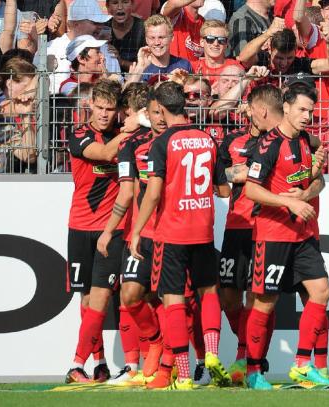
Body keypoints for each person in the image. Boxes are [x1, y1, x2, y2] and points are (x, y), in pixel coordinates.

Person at [130, 80, 231, 390]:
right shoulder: (207, 139)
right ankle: (212, 354)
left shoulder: (161, 143)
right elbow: (222, 188)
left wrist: (136, 231)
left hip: (171, 232)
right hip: (203, 230)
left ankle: (184, 375)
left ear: (159, 109)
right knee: (208, 291)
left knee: (172, 299)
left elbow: (153, 192)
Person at [244, 84, 329, 390]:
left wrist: (306, 193)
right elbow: (251, 189)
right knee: (265, 304)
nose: (307, 116)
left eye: (311, 111)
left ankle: (303, 365)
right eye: (302, 110)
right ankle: (253, 371)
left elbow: (320, 181)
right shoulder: (268, 145)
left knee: (321, 292)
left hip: (302, 234)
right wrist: (290, 202)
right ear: (287, 106)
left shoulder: (306, 140)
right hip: (273, 234)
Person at [94, 83, 167, 387]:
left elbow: (127, 195)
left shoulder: (166, 140)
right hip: (142, 232)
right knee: (133, 295)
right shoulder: (132, 143)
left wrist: (107, 231)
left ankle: (176, 362)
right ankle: (153, 347)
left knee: (168, 298)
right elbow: (127, 192)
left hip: (164, 232)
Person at [218, 84, 284, 386]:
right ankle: (249, 349)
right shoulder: (232, 140)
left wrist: (247, 172)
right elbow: (219, 180)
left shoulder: (279, 141)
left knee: (256, 297)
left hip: (262, 226)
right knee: (228, 295)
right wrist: (238, 173)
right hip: (235, 224)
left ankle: (246, 356)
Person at [65, 79, 127, 384]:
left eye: (110, 109)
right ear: (90, 105)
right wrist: (127, 131)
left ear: (117, 110)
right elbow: (102, 155)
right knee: (87, 301)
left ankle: (77, 364)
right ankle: (100, 362)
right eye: (100, 108)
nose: (104, 114)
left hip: (111, 230)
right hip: (79, 227)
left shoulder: (120, 134)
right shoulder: (76, 133)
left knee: (101, 299)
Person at [42, 0, 121, 94]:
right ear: (75, 24)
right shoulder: (49, 49)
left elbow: (119, 91)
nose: (100, 26)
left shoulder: (108, 51)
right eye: (94, 22)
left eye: (101, 22)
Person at [237, 24, 329, 84]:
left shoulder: (300, 64)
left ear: (296, 50)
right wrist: (267, 34)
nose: (284, 63)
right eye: (279, 58)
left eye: (290, 57)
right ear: (270, 49)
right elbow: (243, 57)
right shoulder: (261, 59)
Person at [127, 14, 192, 83]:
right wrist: (140, 67)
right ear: (146, 40)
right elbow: (127, 93)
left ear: (172, 38)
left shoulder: (183, 65)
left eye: (161, 37)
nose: (157, 42)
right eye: (152, 38)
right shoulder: (141, 68)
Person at [192, 19, 243, 86]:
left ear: (226, 44)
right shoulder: (192, 67)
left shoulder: (235, 68)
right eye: (210, 39)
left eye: (221, 40)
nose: (216, 44)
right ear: (202, 42)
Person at [107, 0, 146, 72]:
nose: (120, 7)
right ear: (108, 7)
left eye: (125, 2)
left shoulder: (144, 28)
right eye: (115, 3)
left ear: (132, 5)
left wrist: (120, 62)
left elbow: (148, 67)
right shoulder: (103, 28)